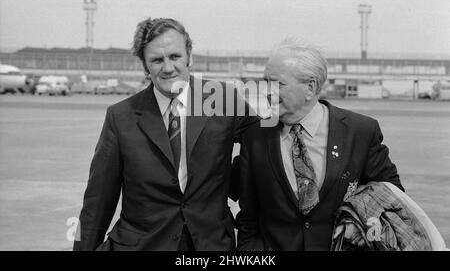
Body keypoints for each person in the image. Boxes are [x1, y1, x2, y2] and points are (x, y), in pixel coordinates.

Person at [73, 17, 257, 251]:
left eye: (175, 56)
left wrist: (231, 180)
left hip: (211, 245)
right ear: (145, 66)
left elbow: (265, 146)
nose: (168, 67)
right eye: (157, 60)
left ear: (189, 55)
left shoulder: (223, 99)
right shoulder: (121, 117)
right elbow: (97, 202)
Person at [235, 38, 404, 251]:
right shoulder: (255, 137)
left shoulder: (360, 131)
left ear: (310, 87)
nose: (267, 91)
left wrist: (359, 222)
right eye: (265, 81)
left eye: (277, 83)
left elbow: (392, 193)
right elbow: (248, 217)